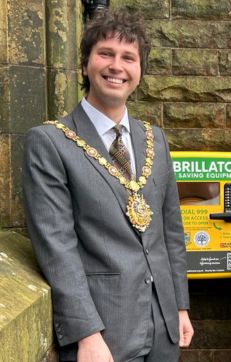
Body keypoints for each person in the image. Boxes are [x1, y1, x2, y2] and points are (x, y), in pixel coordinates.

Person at [22, 7, 193, 362]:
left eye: (128, 57)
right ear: (85, 65)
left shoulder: (155, 139)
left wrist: (179, 305)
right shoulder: (50, 141)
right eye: (105, 54)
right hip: (103, 335)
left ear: (139, 71)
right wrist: (86, 332)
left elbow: (170, 233)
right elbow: (57, 246)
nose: (117, 66)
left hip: (164, 329)